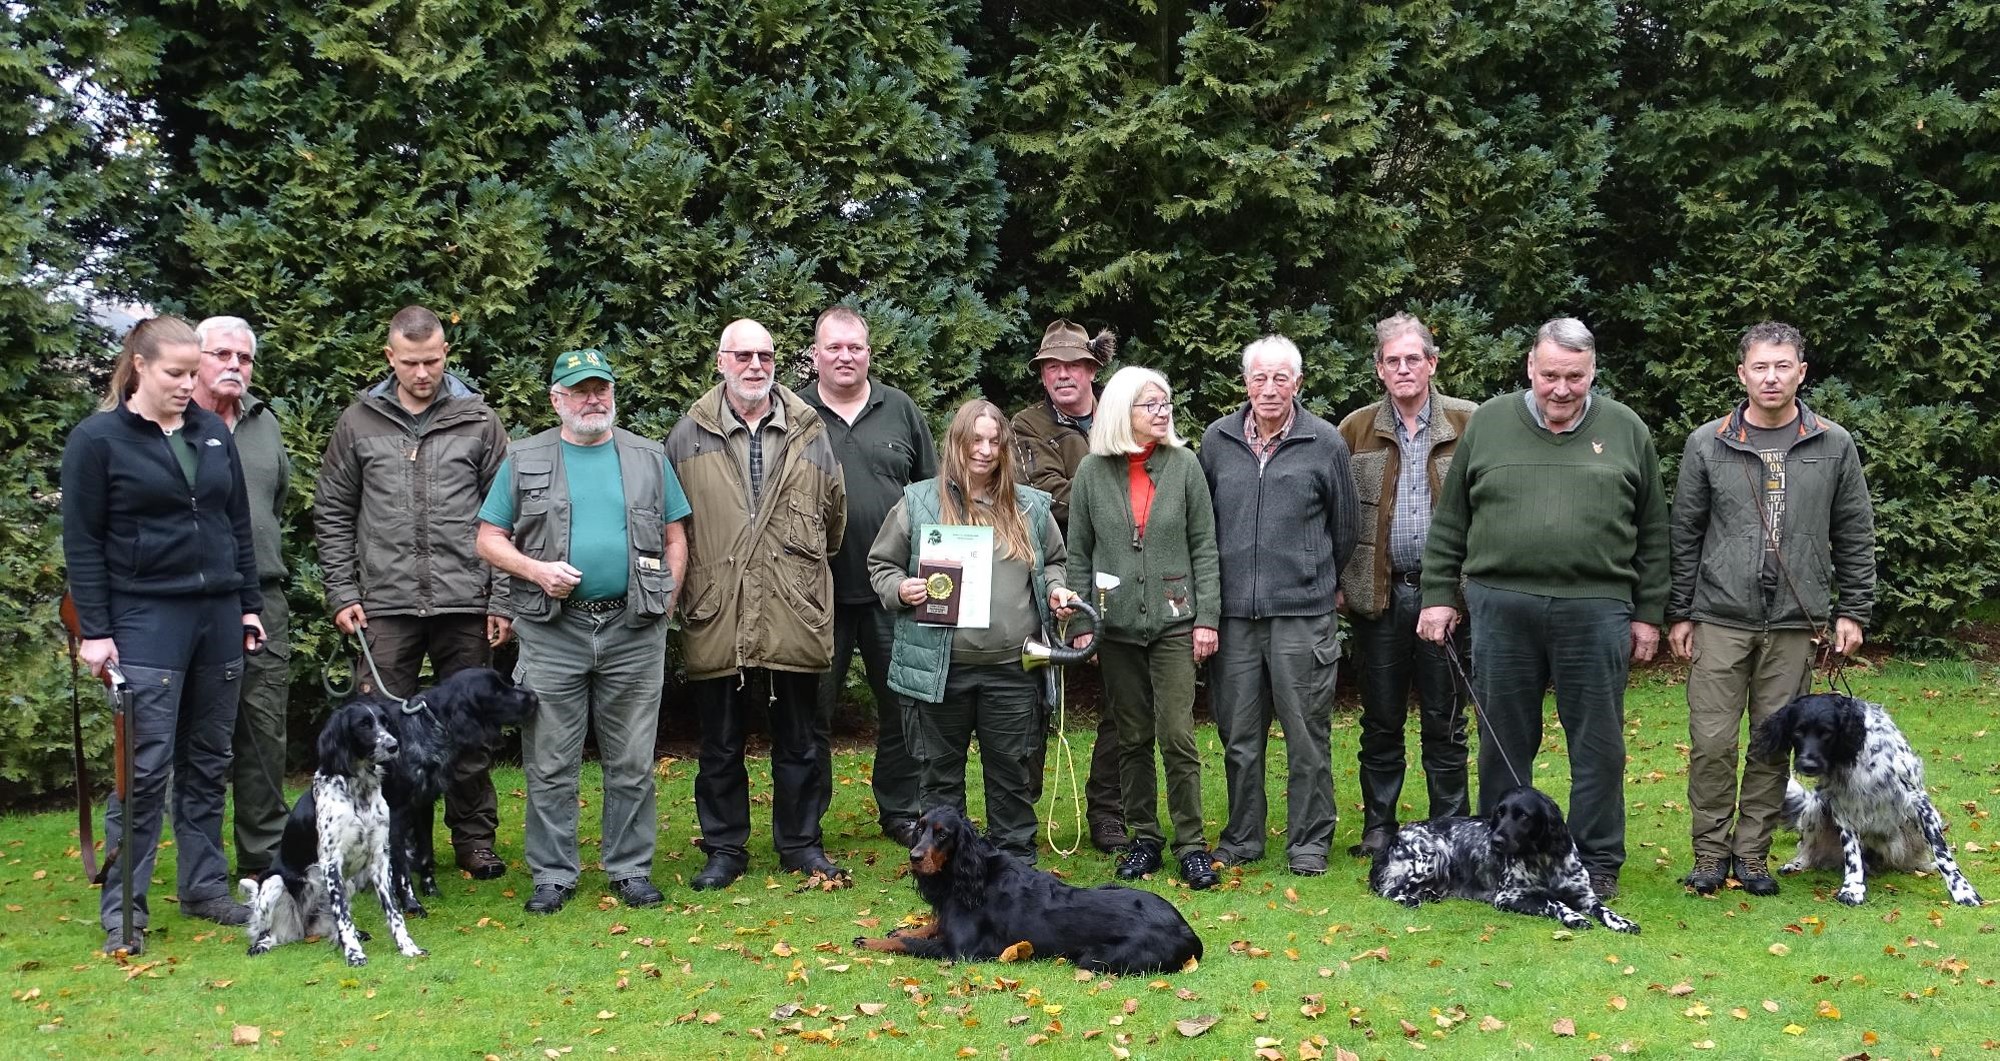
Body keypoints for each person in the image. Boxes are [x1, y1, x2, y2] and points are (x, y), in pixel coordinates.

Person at [1417, 317, 1668, 900]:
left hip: (1597, 609)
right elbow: (1452, 519)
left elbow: (1655, 532)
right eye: (1550, 374)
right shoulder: (1490, 424)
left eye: (1574, 377)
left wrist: (1648, 613)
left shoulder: (1627, 429)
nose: (1561, 388)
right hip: (1502, 608)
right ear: (1530, 367)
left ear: (1592, 373)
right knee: (1502, 739)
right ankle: (1501, 855)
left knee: (1599, 744)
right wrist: (1437, 596)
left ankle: (1597, 857)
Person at [62, 317, 266, 953]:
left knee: (209, 762)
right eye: (175, 373)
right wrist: (95, 631)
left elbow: (237, 523)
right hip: (145, 618)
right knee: (144, 771)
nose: (187, 384)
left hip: (218, 618)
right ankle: (125, 911)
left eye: (190, 373)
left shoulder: (210, 433)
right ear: (141, 367)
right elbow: (83, 543)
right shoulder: (96, 441)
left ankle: (204, 888)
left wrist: (249, 605)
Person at [476, 349, 691, 915]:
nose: (593, 399)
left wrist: (664, 602)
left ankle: (630, 869)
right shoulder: (523, 458)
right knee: (548, 760)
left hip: (633, 627)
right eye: (580, 390)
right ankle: (552, 874)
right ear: (557, 399)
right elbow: (488, 539)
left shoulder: (648, 456)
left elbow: (676, 537)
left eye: (602, 388)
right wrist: (536, 571)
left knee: (632, 760)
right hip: (552, 632)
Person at [1668, 321, 1876, 897]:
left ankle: (1751, 857)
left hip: (1794, 622)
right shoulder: (1707, 442)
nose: (1771, 377)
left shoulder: (1833, 443)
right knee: (1712, 743)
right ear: (1742, 373)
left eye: (1783, 366)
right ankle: (1710, 854)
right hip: (1719, 616)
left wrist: (1852, 609)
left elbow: (1854, 531)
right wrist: (1679, 612)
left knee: (1771, 744)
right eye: (1760, 366)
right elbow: (1684, 533)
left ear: (1801, 372)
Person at [314, 305, 513, 882]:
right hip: (384, 606)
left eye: (432, 361)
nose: (422, 373)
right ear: (389, 357)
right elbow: (332, 512)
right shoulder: (359, 422)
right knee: (383, 735)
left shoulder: (479, 420)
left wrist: (501, 597)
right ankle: (398, 846)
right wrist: (341, 591)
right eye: (410, 363)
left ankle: (474, 841)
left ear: (446, 353)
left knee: (469, 730)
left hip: (465, 600)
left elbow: (508, 514)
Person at [667, 318, 849, 891]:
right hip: (716, 609)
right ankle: (724, 848)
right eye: (742, 355)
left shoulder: (808, 430)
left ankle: (801, 844)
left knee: (799, 739)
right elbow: (672, 526)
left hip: (792, 608)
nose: (755, 366)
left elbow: (834, 519)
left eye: (765, 355)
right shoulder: (687, 435)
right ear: (720, 361)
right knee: (719, 742)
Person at [867, 400, 1075, 863]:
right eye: (973, 440)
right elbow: (881, 564)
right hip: (941, 669)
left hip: (1012, 667)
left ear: (1004, 446)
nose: (984, 450)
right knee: (939, 776)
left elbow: (1055, 564)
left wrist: (1058, 591)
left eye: (993, 440)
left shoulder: (1031, 507)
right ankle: (949, 867)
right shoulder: (919, 502)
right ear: (955, 444)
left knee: (1011, 773)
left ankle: (1015, 864)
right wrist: (902, 588)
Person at [1199, 335, 1358, 876]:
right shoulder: (1216, 440)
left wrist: (1313, 576)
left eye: (1280, 378)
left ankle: (1309, 842)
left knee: (1306, 736)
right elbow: (1206, 525)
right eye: (1259, 378)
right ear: (1245, 383)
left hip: (1302, 615)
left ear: (1298, 383)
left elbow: (1347, 528)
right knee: (1238, 735)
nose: (1269, 389)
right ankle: (1242, 837)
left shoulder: (1326, 442)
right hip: (1236, 618)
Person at [1066, 366, 1222, 890]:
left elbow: (1205, 546)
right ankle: (1145, 839)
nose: (1163, 412)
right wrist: (1082, 623)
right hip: (1114, 626)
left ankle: (1192, 845)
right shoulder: (1091, 471)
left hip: (1176, 623)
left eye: (1165, 402)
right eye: (1150, 404)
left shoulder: (1185, 465)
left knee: (1177, 734)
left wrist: (1207, 619)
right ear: (1121, 411)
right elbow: (1079, 555)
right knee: (1130, 737)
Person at [1337, 314, 1478, 859]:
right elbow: (1339, 513)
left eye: (1412, 358)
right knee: (1381, 719)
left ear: (1432, 364)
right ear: (1378, 369)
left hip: (1448, 598)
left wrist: (1463, 591)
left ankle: (1451, 828)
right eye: (1391, 360)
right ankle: (1380, 826)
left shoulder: (1469, 423)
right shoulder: (1355, 429)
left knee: (1446, 720)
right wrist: (1342, 581)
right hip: (1381, 597)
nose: (1403, 368)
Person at [801, 307, 937, 848]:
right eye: (833, 347)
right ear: (815, 354)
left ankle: (901, 810)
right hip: (814, 592)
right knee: (811, 709)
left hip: (894, 591)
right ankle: (806, 816)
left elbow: (931, 492)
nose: (844, 356)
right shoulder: (795, 411)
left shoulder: (899, 409)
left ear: (868, 352)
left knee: (903, 704)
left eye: (854, 347)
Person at [1010, 319, 1126, 853]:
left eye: (1073, 365)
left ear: (1092, 369)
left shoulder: (1124, 412)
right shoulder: (1025, 426)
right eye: (1051, 367)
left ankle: (1109, 811)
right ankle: (1018, 814)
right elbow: (1047, 498)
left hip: (1122, 573)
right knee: (1033, 697)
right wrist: (1114, 481)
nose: (1062, 375)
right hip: (1046, 575)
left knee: (1122, 702)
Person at [191, 316, 294, 880]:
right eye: (221, 354)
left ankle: (264, 863)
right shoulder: (169, 423)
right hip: (189, 603)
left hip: (264, 596)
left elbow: (271, 507)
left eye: (244, 358)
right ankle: (200, 868)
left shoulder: (264, 424)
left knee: (263, 735)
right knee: (197, 738)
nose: (234, 365)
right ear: (195, 359)